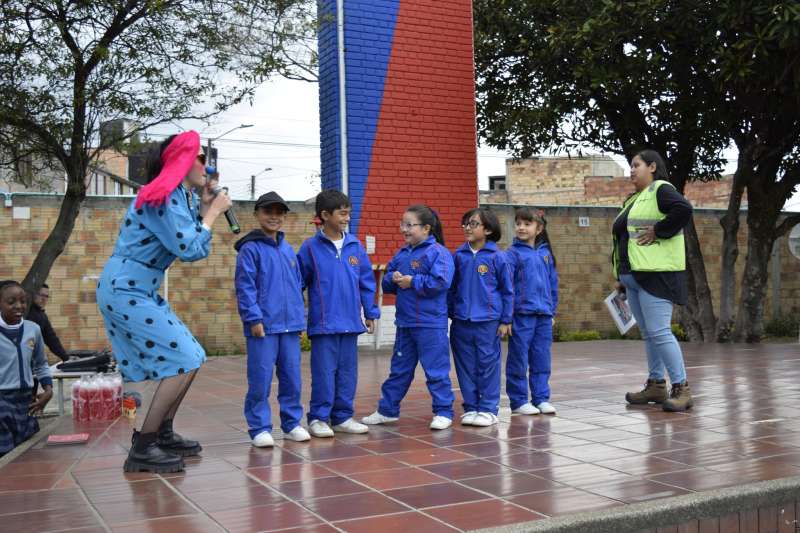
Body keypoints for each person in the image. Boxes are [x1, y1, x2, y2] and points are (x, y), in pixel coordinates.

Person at [96, 131, 232, 473]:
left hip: (139, 288)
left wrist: (203, 207)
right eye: (200, 157)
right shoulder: (161, 195)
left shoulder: (179, 196)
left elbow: (194, 243)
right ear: (182, 160)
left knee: (191, 357)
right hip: (127, 288)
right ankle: (143, 446)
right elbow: (189, 248)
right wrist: (213, 212)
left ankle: (162, 434)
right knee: (185, 357)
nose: (207, 164)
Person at [612, 149, 694, 412]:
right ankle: (656, 385)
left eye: (636, 165)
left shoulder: (661, 189)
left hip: (657, 275)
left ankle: (681, 387)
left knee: (659, 332)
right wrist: (620, 276)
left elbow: (684, 209)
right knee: (649, 334)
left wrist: (659, 230)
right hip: (634, 277)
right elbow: (625, 240)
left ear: (653, 167)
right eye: (631, 166)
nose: (631, 171)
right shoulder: (635, 199)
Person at [362, 205, 455, 430]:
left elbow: (441, 283)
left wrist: (413, 281)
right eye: (402, 224)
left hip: (430, 323)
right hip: (405, 323)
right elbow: (386, 284)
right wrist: (393, 279)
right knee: (399, 370)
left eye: (409, 225)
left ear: (426, 228)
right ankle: (387, 410)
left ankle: (444, 412)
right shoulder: (402, 253)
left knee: (436, 370)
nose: (404, 229)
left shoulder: (438, 253)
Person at [297, 190, 380, 437]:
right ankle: (318, 418)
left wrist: (371, 312)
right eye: (342, 213)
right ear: (325, 215)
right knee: (324, 374)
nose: (347, 217)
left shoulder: (355, 246)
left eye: (348, 212)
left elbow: (366, 282)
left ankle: (342, 417)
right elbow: (297, 283)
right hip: (324, 324)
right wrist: (297, 317)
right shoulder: (310, 248)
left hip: (351, 322)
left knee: (347, 373)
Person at [235, 191, 310, 447]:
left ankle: (291, 424)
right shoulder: (250, 249)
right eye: (268, 211)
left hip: (290, 327)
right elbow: (245, 287)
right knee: (261, 379)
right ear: (257, 214)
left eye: (279, 212)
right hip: (263, 327)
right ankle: (259, 428)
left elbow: (297, 286)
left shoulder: (288, 248)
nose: (274, 217)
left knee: (292, 379)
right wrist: (254, 319)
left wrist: (300, 320)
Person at [449, 208, 513, 427]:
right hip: (461, 320)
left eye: (474, 224)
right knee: (465, 365)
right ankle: (471, 407)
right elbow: (452, 288)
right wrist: (451, 313)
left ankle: (488, 409)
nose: (468, 227)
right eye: (465, 223)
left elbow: (507, 290)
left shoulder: (498, 257)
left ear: (487, 229)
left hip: (488, 321)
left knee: (488, 365)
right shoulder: (458, 256)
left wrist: (506, 320)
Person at [505, 208, 559, 416]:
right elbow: (507, 286)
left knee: (541, 358)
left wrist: (551, 311)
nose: (521, 228)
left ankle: (541, 398)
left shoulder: (546, 254)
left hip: (543, 315)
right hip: (521, 315)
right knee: (518, 359)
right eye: (518, 223)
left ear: (539, 228)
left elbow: (553, 284)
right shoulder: (512, 254)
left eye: (527, 224)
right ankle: (518, 401)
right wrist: (507, 316)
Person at [0, 280, 53, 457]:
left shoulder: (33, 330)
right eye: (11, 302)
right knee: (6, 454)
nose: (19, 306)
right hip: (2, 401)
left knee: (26, 453)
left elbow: (41, 363)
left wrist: (48, 389)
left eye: (23, 301)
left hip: (27, 401)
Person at [26, 283, 70, 362]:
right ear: (34, 294)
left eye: (46, 296)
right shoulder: (25, 312)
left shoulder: (41, 315)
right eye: (41, 295)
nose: (44, 299)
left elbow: (51, 338)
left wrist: (66, 357)